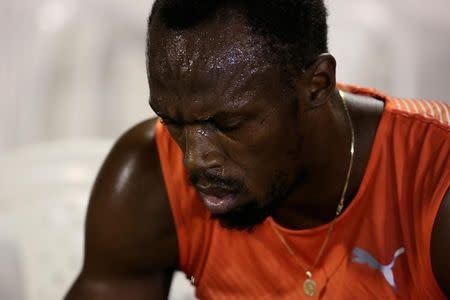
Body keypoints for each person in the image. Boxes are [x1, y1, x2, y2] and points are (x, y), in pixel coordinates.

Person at [65, 0, 450, 299]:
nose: (194, 159)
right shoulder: (149, 178)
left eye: (228, 125)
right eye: (174, 122)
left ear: (317, 84)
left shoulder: (436, 182)